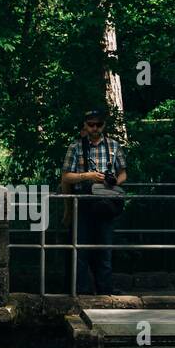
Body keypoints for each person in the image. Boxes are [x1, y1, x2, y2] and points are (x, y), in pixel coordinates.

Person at [61, 109, 127, 295]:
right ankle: (81, 292)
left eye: (98, 124)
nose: (95, 128)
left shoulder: (114, 146)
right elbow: (66, 176)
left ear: (104, 125)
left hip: (106, 203)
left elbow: (123, 172)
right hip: (83, 204)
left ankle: (105, 292)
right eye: (91, 124)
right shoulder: (75, 147)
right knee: (80, 250)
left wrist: (114, 180)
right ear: (85, 125)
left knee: (104, 249)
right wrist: (87, 176)